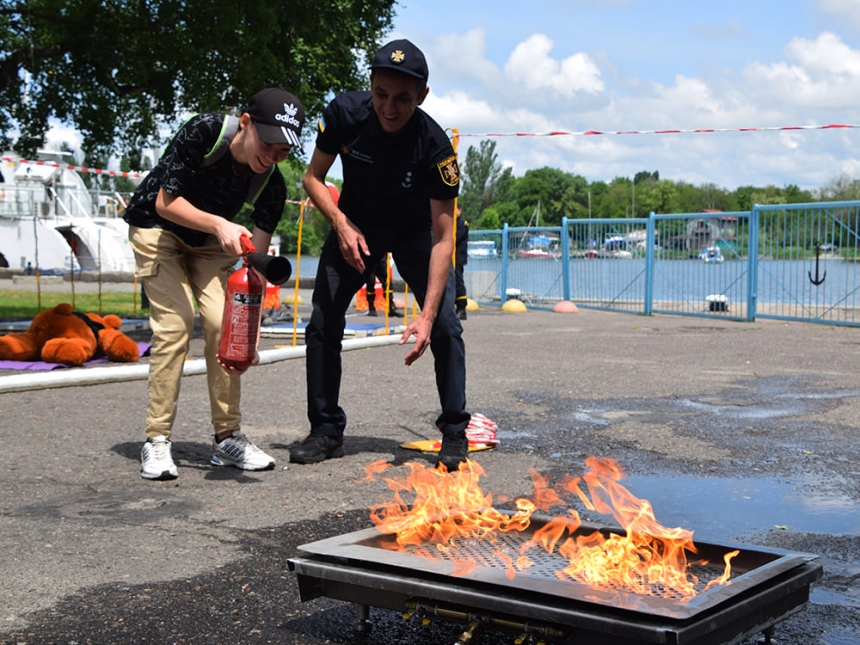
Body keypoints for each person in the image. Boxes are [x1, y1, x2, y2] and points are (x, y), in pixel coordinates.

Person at [292, 38, 471, 472]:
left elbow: (444, 240)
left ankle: (453, 430)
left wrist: (426, 315)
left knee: (446, 324)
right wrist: (340, 223)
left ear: (423, 96)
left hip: (416, 232)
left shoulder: (436, 148)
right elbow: (312, 179)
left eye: (403, 99)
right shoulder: (343, 115)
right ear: (369, 85)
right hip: (354, 224)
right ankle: (326, 429)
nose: (390, 108)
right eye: (381, 95)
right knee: (323, 320)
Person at [123, 87, 305, 480]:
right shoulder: (204, 132)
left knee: (225, 326)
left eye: (284, 151)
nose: (274, 157)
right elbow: (164, 202)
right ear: (245, 123)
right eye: (269, 142)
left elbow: (253, 265)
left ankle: (227, 439)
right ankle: (156, 441)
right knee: (174, 326)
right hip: (157, 229)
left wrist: (247, 337)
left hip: (208, 244)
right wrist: (220, 223)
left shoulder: (272, 185)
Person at [454, 209, 469, 320]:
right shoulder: (454, 222)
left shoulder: (462, 223)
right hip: (452, 257)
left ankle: (461, 307)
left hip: (458, 257)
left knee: (458, 281)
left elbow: (456, 238)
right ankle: (455, 306)